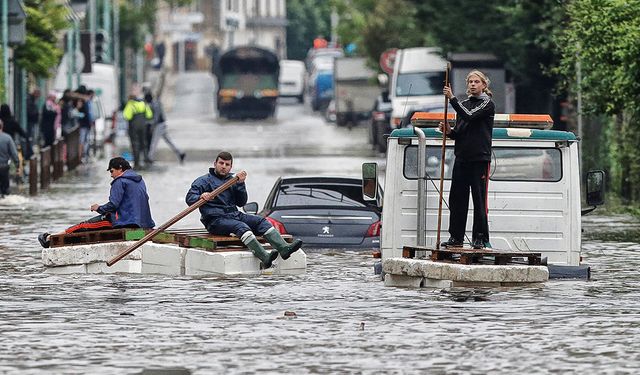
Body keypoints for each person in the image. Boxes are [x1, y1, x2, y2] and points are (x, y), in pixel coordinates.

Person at [185, 151, 303, 269]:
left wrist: (241, 184)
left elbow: (241, 203)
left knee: (260, 221)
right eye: (221, 163)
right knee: (241, 226)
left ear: (231, 167)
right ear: (215, 164)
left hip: (234, 214)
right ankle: (264, 257)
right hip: (215, 220)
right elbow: (189, 198)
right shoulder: (202, 181)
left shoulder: (233, 181)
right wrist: (201, 196)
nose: (224, 167)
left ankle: (283, 248)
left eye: (227, 164)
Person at [38, 156, 155, 248]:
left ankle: (49, 238)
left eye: (112, 171)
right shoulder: (140, 181)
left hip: (124, 222)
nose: (111, 175)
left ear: (120, 168)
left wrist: (98, 208)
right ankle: (52, 236)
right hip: (143, 223)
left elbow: (113, 205)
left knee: (83, 225)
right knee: (87, 225)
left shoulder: (120, 181)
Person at [439, 70, 495, 249]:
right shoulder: (463, 104)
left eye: (476, 81)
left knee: (478, 199)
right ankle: (456, 237)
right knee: (457, 199)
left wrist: (452, 98)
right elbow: (460, 132)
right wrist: (449, 131)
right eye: (470, 81)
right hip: (461, 157)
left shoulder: (487, 104)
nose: (473, 84)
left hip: (479, 158)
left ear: (483, 85)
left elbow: (470, 116)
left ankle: (479, 237)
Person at [145, 92, 185, 163]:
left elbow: (156, 118)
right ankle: (180, 153)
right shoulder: (156, 103)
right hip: (162, 124)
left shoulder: (155, 105)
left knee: (154, 142)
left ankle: (150, 157)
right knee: (169, 141)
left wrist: (151, 124)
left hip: (159, 125)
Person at [123, 89, 153, 169]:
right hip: (143, 126)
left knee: (135, 144)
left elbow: (126, 116)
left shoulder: (130, 104)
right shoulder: (143, 103)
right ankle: (146, 159)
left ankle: (137, 163)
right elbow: (149, 115)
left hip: (134, 126)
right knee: (144, 143)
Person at [0, 120, 20, 198]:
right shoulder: (7, 138)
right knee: (5, 191)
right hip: (4, 168)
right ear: (2, 126)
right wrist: (17, 165)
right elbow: (14, 154)